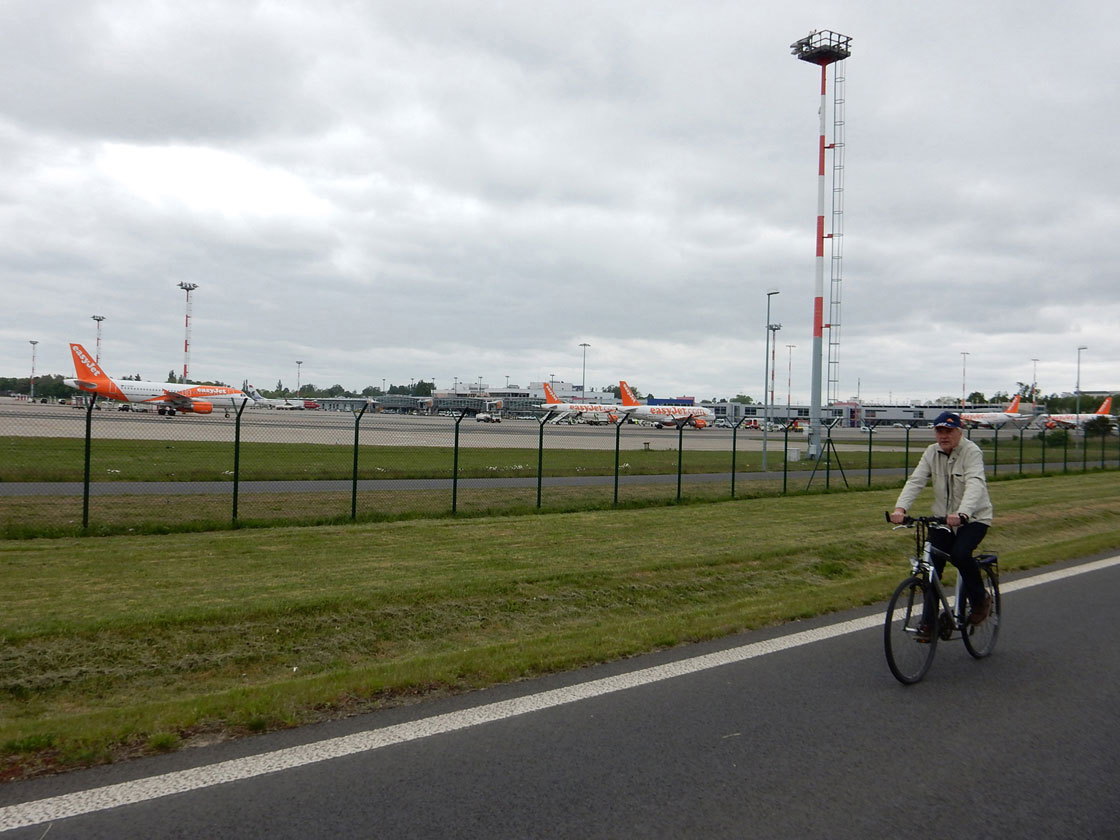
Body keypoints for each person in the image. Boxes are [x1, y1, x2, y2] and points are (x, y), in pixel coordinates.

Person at [889, 411, 993, 641]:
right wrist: (900, 509)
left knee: (960, 554)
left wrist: (963, 513)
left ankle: (980, 600)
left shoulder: (971, 452)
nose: (943, 436)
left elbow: (975, 483)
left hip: (973, 518)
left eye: (948, 431)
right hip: (943, 519)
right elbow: (916, 481)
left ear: (959, 432)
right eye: (939, 431)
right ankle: (929, 623)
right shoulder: (931, 452)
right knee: (930, 566)